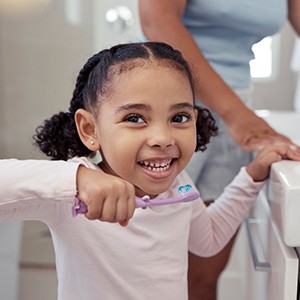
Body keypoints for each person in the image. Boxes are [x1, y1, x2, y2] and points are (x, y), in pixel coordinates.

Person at [1, 42, 300, 300]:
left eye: (179, 117)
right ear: (90, 129)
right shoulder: (74, 193)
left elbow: (207, 240)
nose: (163, 138)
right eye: (135, 118)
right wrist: (75, 180)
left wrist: (252, 175)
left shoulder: (179, 186)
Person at [138, 1, 300, 299]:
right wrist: (239, 118)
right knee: (145, 273)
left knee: (203, 277)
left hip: (231, 112)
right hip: (167, 107)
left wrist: (236, 117)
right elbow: (156, 21)